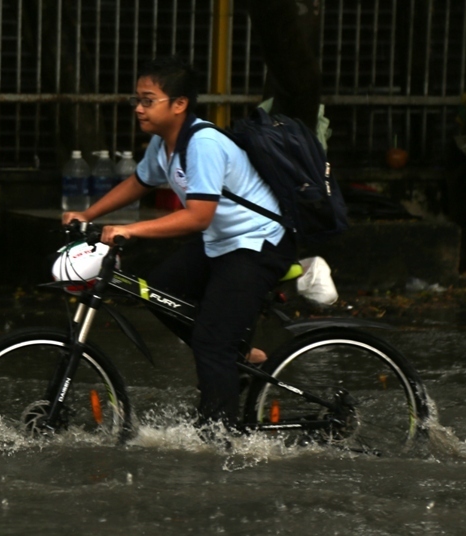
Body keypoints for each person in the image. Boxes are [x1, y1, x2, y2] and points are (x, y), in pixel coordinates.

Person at [61, 55, 296, 432]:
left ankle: (220, 440)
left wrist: (131, 230)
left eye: (148, 99)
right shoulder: (164, 143)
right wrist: (88, 215)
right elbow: (138, 182)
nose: (139, 108)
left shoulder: (201, 143)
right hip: (222, 241)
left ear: (179, 104)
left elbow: (198, 216)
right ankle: (239, 357)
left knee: (210, 343)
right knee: (157, 290)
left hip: (258, 244)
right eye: (136, 99)